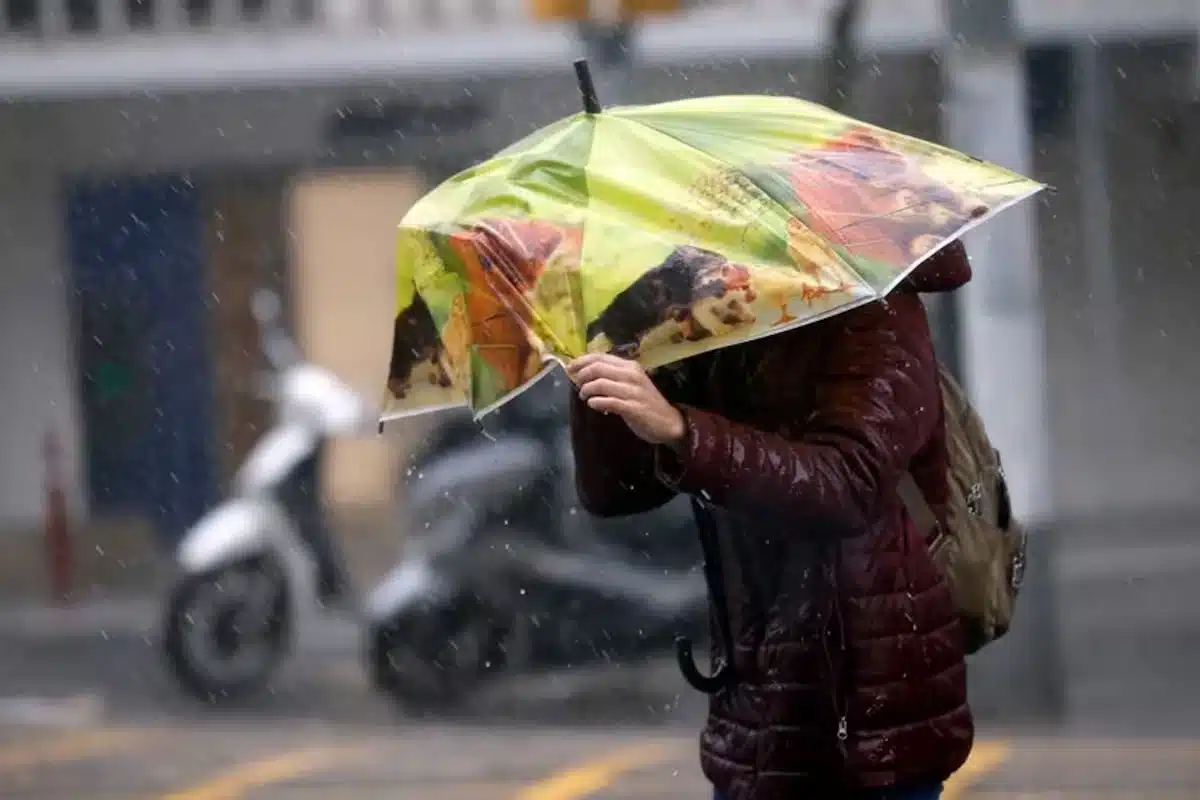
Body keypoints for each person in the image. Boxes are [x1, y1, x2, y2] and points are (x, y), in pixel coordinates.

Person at [566, 242, 975, 799]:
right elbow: (618, 493)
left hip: (870, 703)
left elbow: (848, 486)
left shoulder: (875, 309)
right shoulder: (712, 311)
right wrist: (602, 361)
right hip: (756, 695)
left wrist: (684, 432)